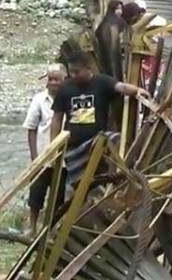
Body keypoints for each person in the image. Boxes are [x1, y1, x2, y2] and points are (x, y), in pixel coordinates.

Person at [50, 51, 149, 190]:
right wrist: (53, 146)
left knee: (115, 139)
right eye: (71, 72)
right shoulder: (65, 88)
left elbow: (121, 87)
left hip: (96, 142)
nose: (73, 75)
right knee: (74, 187)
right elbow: (57, 118)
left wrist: (138, 90)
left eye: (77, 72)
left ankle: (116, 179)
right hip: (72, 146)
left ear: (88, 69)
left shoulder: (102, 82)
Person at [23, 69, 67, 236]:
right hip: (43, 156)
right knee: (36, 194)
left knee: (59, 195)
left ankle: (52, 228)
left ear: (65, 80)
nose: (54, 83)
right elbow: (31, 128)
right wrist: (35, 157)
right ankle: (32, 227)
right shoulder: (39, 100)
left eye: (57, 79)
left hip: (64, 159)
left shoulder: (69, 98)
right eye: (51, 79)